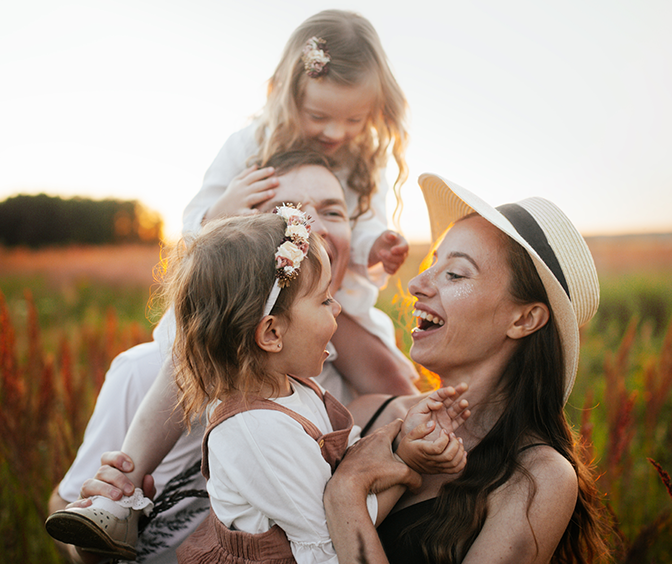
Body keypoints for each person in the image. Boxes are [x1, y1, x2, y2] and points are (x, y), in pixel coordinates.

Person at [46, 153, 417, 564]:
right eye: (287, 214)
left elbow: (422, 403)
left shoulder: (329, 367)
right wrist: (95, 539)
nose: (315, 227)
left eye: (333, 210)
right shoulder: (143, 373)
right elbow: (66, 519)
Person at [323, 175, 611, 563]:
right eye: (431, 265)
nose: (416, 284)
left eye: (455, 274)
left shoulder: (537, 477)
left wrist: (346, 498)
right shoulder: (365, 415)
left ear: (524, 320)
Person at [182, 9, 414, 381]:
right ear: (287, 96)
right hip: (260, 294)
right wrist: (221, 213)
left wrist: (375, 246)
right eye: (318, 116)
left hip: (335, 299)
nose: (336, 132)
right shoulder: (249, 145)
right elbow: (194, 226)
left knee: (390, 378)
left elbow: (367, 223)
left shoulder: (364, 160)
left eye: (354, 119)